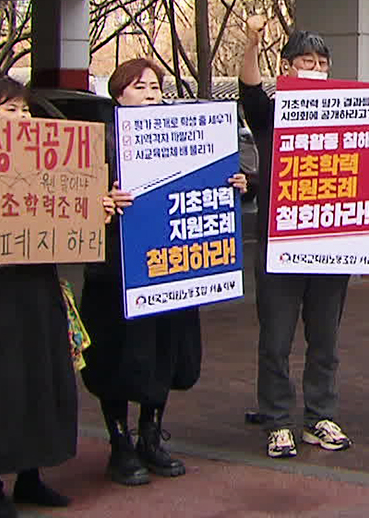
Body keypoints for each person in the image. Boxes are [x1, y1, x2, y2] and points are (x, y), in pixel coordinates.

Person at [240, 15, 369, 459]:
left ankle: (320, 415)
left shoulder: (349, 114)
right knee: (275, 341)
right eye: (305, 61)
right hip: (281, 248)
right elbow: (249, 92)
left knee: (325, 340)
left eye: (321, 62)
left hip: (333, 249)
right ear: (287, 66)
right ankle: (278, 420)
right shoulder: (272, 112)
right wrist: (252, 43)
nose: (314, 68)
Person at [81, 58, 248, 486]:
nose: (151, 93)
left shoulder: (191, 139)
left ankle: (151, 435)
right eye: (139, 87)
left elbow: (215, 180)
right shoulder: (96, 144)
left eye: (155, 86)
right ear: (117, 96)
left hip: (170, 275)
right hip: (116, 275)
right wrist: (100, 201)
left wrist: (237, 184)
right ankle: (120, 443)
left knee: (165, 356)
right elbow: (70, 205)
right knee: (117, 359)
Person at [0, 77, 104, 518]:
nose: (20, 118)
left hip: (39, 285)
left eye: (24, 110)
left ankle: (32, 475)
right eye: (8, 109)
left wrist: (96, 209)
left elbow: (72, 200)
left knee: (41, 380)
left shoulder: (47, 152)